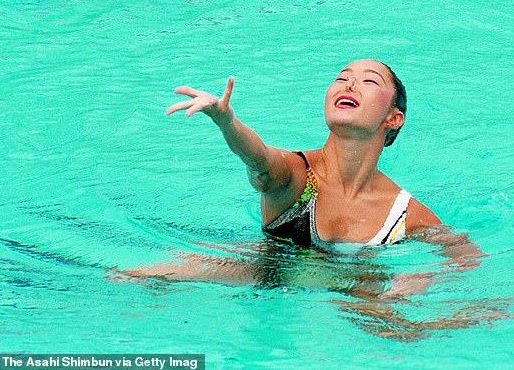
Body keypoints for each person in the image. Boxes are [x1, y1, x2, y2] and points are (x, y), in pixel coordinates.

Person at [116, 59, 484, 298]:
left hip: (352, 303)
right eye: (341, 78)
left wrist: (419, 280)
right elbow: (261, 160)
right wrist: (226, 121)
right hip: (252, 275)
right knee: (131, 275)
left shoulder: (405, 213)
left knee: (393, 318)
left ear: (393, 118)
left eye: (368, 81)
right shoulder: (297, 176)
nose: (349, 85)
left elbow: (465, 256)